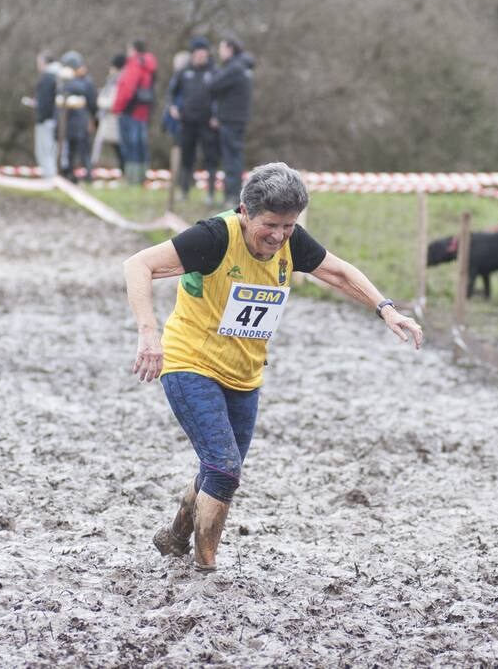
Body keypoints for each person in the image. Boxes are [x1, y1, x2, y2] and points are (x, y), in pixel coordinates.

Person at [122, 162, 423, 572]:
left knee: (220, 468)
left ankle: (175, 535)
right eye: (270, 225)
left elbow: (337, 271)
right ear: (244, 212)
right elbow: (138, 264)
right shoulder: (213, 237)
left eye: (288, 226)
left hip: (245, 374)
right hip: (189, 362)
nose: (279, 236)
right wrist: (148, 334)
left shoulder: (290, 241)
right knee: (224, 470)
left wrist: (385, 309)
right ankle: (205, 566)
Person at [171, 38, 221, 204]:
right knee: (186, 157)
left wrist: (216, 115)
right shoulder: (184, 72)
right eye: (198, 53)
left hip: (207, 123)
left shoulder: (214, 72)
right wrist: (172, 107)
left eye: (203, 53)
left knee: (210, 158)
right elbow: (172, 92)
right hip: (187, 121)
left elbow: (221, 97)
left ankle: (211, 193)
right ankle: (184, 190)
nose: (201, 56)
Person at [209, 36, 254, 209]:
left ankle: (232, 196)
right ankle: (233, 194)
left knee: (231, 159)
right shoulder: (243, 67)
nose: (219, 52)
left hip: (231, 119)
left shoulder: (234, 68)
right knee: (234, 157)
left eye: (221, 48)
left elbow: (213, 84)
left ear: (229, 49)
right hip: (236, 118)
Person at [112, 40, 157, 185]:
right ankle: (141, 176)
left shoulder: (134, 64)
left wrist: (117, 107)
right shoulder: (149, 65)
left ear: (133, 50)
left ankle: (132, 178)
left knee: (130, 145)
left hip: (130, 111)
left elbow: (127, 89)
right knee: (140, 144)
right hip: (143, 111)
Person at [59, 51, 97, 183]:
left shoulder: (77, 82)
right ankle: (72, 173)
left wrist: (93, 119)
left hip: (80, 120)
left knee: (82, 150)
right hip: (73, 121)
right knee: (74, 150)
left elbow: (92, 102)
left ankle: (86, 174)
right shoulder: (84, 81)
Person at [92, 54, 125, 169]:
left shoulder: (118, 81)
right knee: (115, 146)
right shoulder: (113, 80)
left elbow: (111, 100)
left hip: (112, 117)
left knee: (117, 146)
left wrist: (100, 101)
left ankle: (94, 168)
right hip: (109, 117)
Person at [33, 50, 60, 178]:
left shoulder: (47, 77)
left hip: (46, 120)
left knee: (45, 151)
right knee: (52, 150)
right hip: (54, 119)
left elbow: (45, 101)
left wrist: (41, 116)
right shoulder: (58, 76)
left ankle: (49, 178)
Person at [161, 50, 188, 144]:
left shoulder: (183, 78)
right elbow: (170, 95)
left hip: (181, 115)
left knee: (180, 144)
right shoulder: (176, 77)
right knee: (176, 143)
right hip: (175, 113)